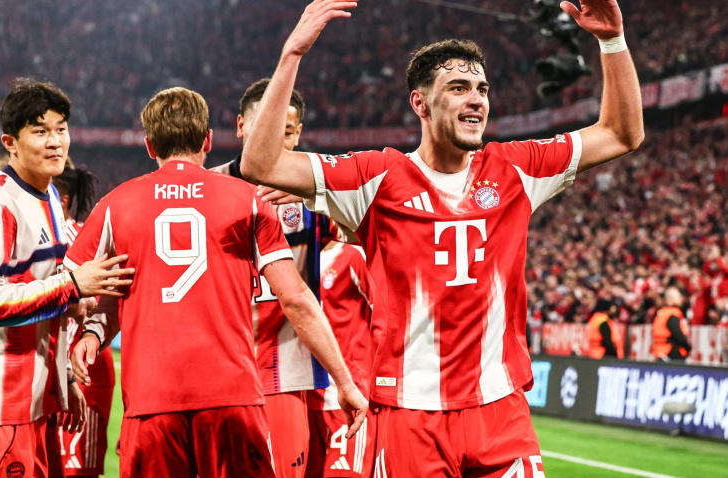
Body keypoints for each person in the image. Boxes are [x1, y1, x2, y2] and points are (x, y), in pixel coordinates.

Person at [239, 0, 644, 475]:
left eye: (481, 89)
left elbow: (621, 133)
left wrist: (611, 40)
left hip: (501, 411)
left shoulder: (516, 168)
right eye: (458, 88)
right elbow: (260, 164)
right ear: (421, 103)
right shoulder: (375, 178)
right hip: (411, 414)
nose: (476, 99)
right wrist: (292, 55)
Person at [66, 86, 367, 477]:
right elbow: (295, 297)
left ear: (148, 145)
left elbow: (73, 285)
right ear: (209, 139)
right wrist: (344, 380)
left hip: (151, 398)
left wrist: (89, 335)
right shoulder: (246, 199)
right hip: (233, 393)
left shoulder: (117, 203)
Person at [0, 79, 135, 477]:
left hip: (33, 401)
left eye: (61, 129)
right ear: (10, 142)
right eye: (40, 131)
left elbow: (46, 298)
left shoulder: (46, 195)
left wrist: (64, 382)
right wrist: (72, 285)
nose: (55, 142)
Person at [214, 78, 330, 477]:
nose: (274, 135)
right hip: (217, 371)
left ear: (297, 134)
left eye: (285, 127)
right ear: (242, 126)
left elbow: (374, 227)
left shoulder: (321, 191)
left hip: (288, 372)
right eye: (264, 123)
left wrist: (319, 197)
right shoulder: (208, 188)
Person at [49, 160, 115, 478]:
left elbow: (91, 306)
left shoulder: (74, 239)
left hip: (82, 366)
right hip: (73, 366)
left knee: (72, 468)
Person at [306, 239, 375, 478]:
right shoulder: (290, 260)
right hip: (304, 400)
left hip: (347, 399)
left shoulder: (352, 256)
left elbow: (386, 315)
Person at [652, 287, 691, 362]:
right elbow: (678, 335)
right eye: (679, 296)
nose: (681, 299)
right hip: (670, 352)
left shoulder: (662, 312)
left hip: (659, 351)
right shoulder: (672, 314)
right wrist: (688, 347)